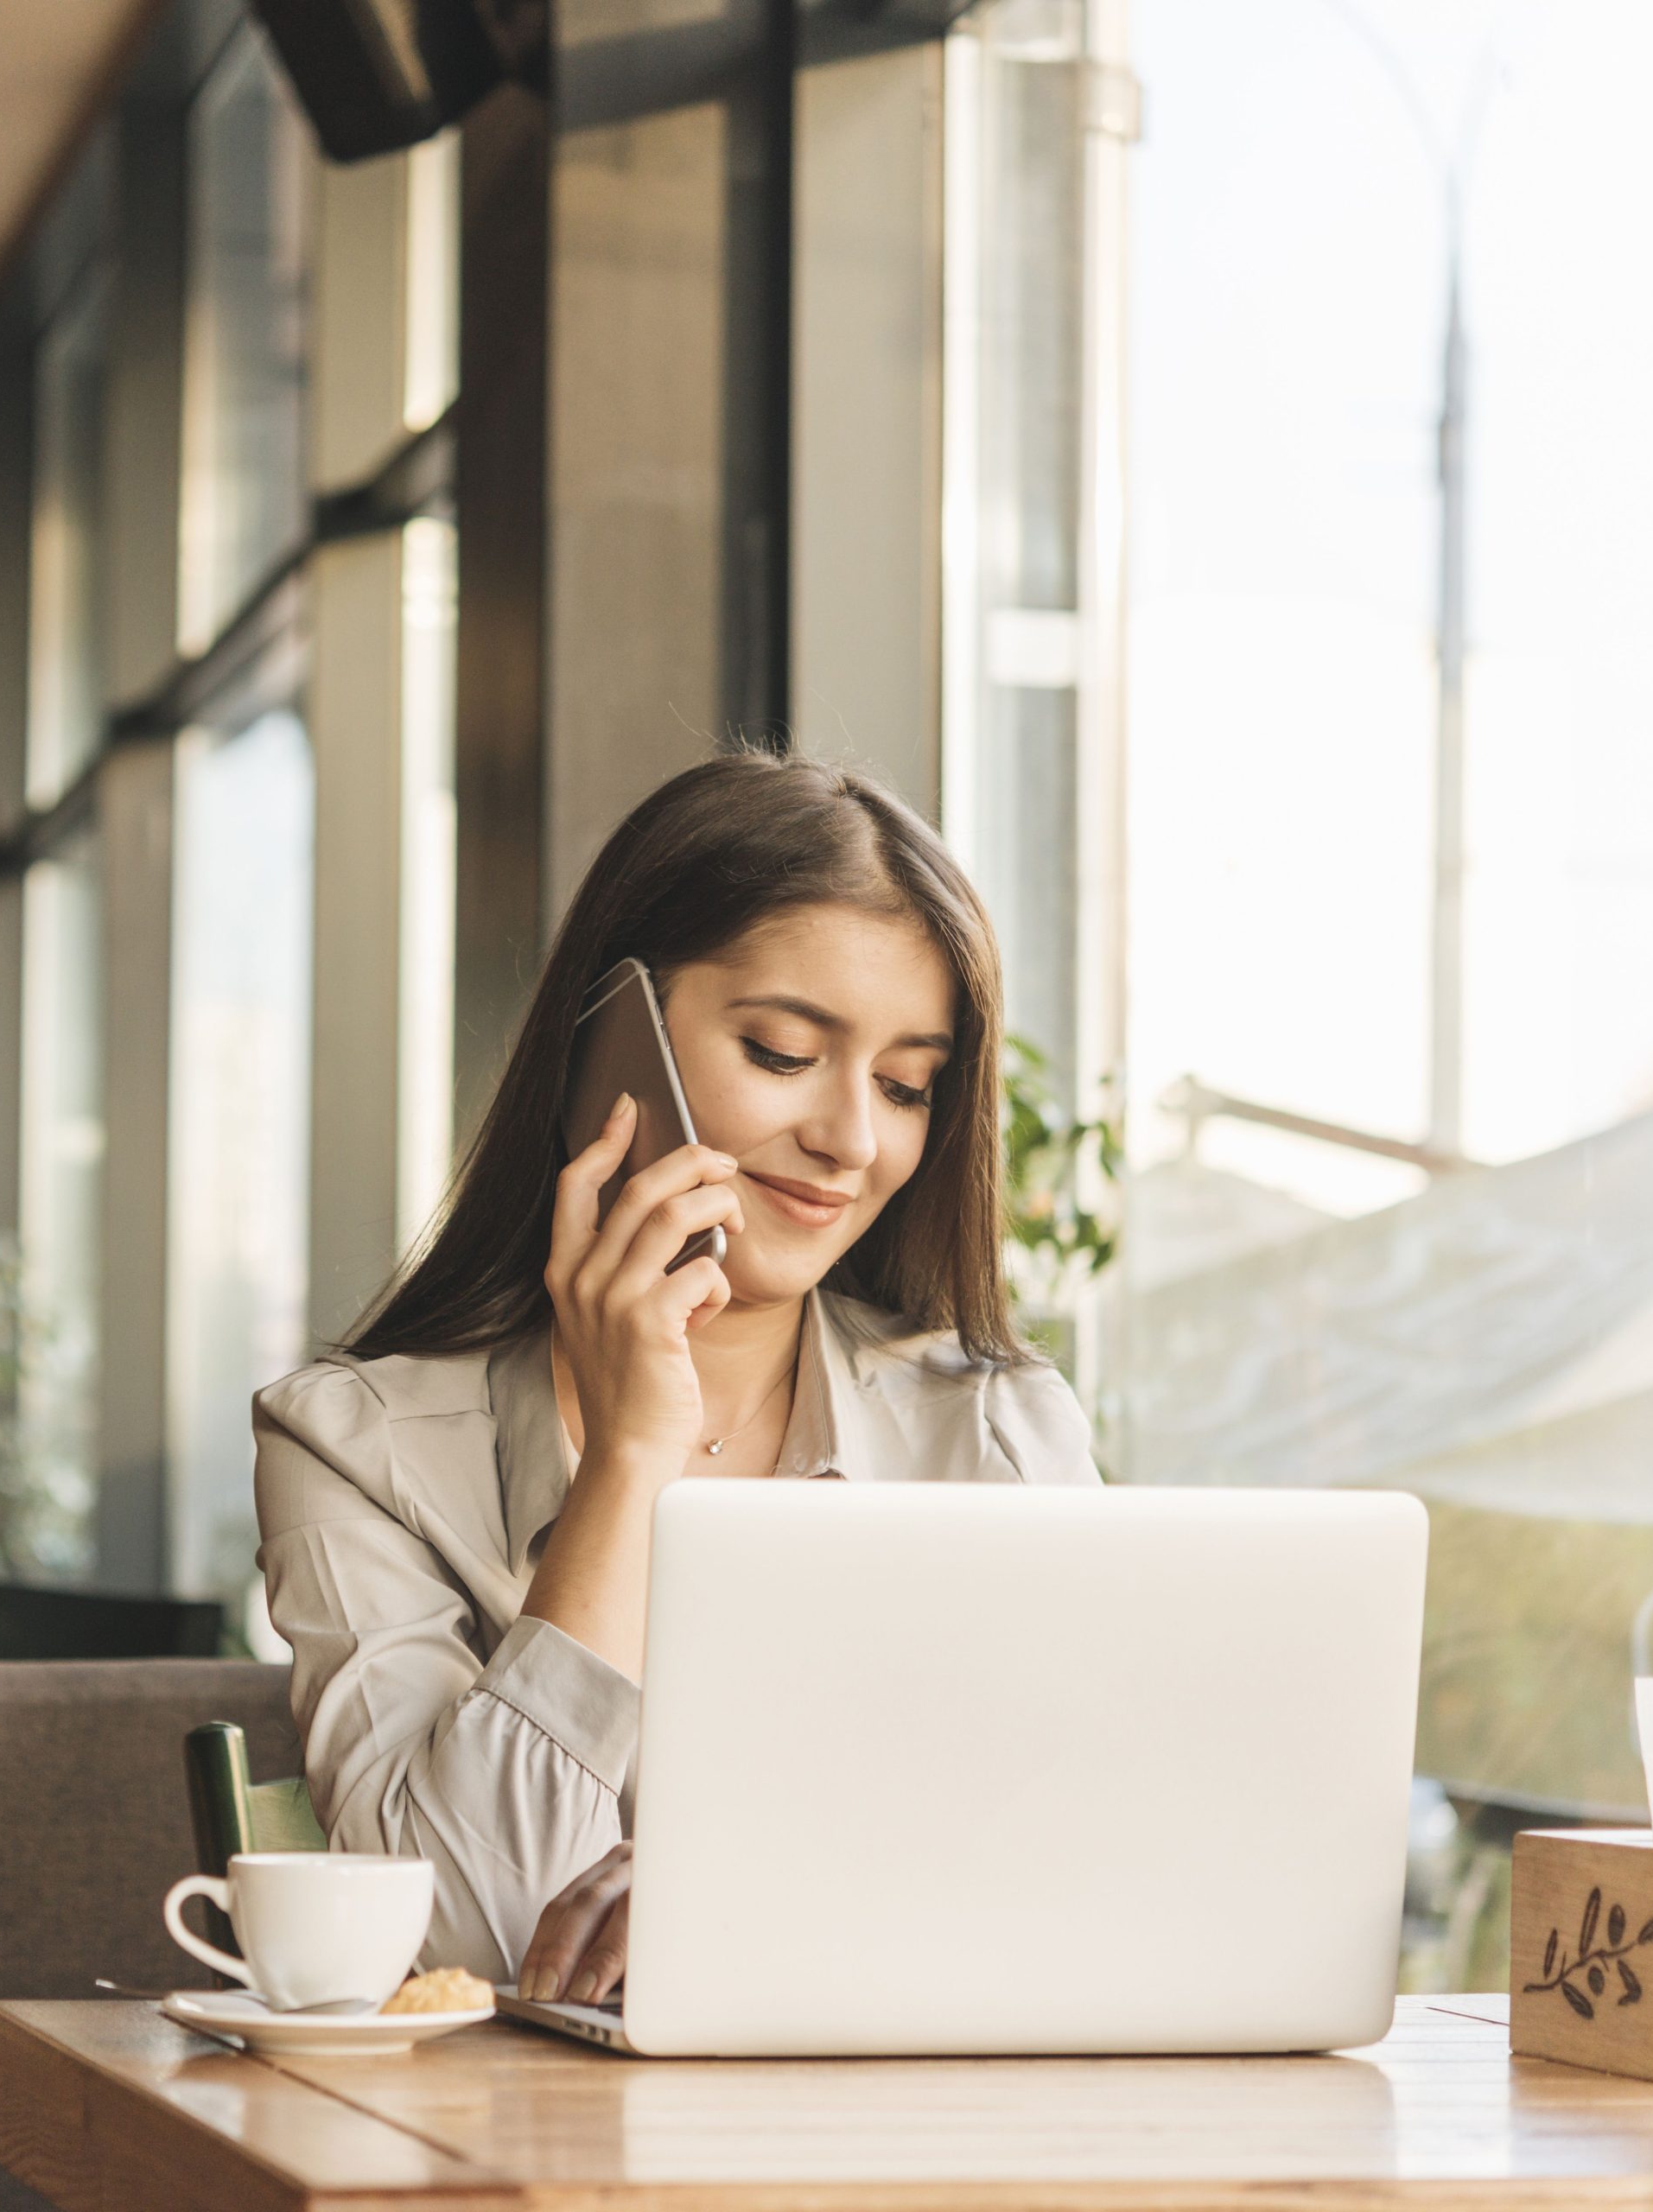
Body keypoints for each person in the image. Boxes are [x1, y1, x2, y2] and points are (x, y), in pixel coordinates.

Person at [252, 750, 1099, 2004]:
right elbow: (476, 1941)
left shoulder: (995, 1432)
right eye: (780, 1052)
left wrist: (745, 1899)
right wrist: (633, 1462)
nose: (853, 1142)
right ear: (613, 1045)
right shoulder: (356, 1448)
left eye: (907, 1084)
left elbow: (1091, 1874)